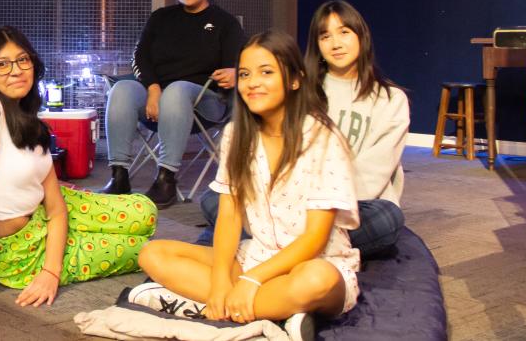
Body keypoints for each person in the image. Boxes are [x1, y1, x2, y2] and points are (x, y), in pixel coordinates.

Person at [132, 30, 359, 338]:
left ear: (294, 80)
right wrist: (224, 279)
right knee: (152, 253)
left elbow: (315, 239)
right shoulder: (236, 136)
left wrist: (251, 281)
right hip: (256, 255)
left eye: (266, 72)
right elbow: (229, 216)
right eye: (245, 74)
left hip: (315, 262)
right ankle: (273, 311)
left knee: (315, 280)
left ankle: (203, 303)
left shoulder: (322, 138)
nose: (252, 83)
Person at [0, 27, 156, 321]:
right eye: (3, 64)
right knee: (145, 251)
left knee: (145, 211)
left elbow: (56, 210)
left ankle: (85, 234)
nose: (16, 71)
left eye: (22, 60)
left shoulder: (27, 119)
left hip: (49, 213)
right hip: (21, 250)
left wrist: (52, 269)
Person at [198, 0, 409, 258]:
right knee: (212, 198)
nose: (335, 43)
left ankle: (271, 247)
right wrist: (290, 205)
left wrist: (320, 205)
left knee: (388, 219)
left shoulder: (391, 99)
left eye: (344, 32)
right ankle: (294, 248)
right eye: (325, 36)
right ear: (317, 45)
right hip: (288, 200)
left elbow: (377, 169)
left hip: (358, 203)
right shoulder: (300, 90)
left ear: (361, 36)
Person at [99, 0, 244, 208]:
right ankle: (119, 175)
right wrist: (153, 89)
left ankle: (166, 178)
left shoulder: (225, 23)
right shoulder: (161, 18)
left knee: (176, 90)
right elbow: (140, 56)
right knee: (122, 89)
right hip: (157, 98)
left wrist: (236, 71)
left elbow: (242, 62)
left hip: (206, 102)